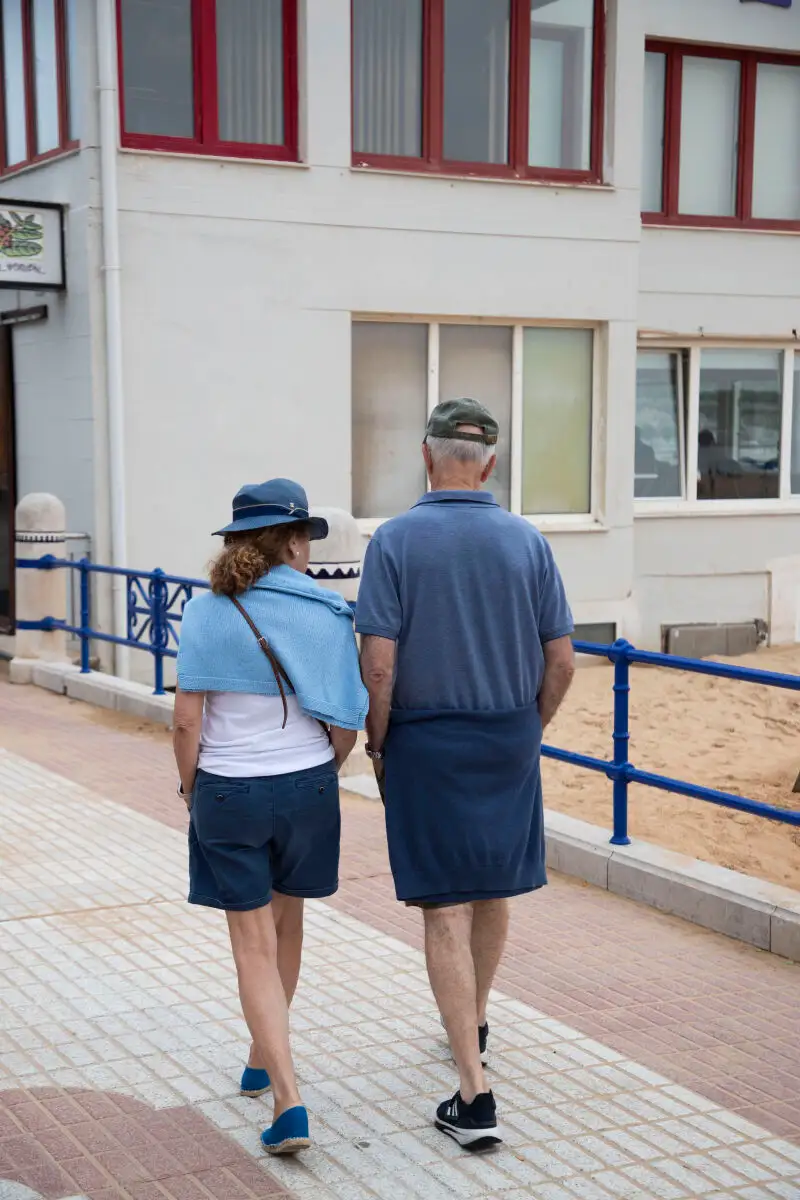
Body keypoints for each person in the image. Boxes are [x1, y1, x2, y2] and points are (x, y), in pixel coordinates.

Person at [356, 399, 575, 1151]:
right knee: (492, 888)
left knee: (442, 908)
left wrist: (379, 743)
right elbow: (563, 660)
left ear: (426, 457)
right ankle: (473, 1021)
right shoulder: (527, 540)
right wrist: (530, 728)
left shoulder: (394, 541)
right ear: (488, 464)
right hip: (508, 734)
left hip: (427, 740)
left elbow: (378, 666)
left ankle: (473, 1096)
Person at [174, 479, 368, 1155]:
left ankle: (287, 1098)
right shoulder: (327, 612)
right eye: (305, 541)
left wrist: (189, 788)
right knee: (288, 928)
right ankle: (263, 1055)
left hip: (229, 790)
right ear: (290, 542)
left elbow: (185, 721)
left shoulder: (205, 613)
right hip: (307, 788)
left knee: (251, 943)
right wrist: (324, 769)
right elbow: (348, 716)